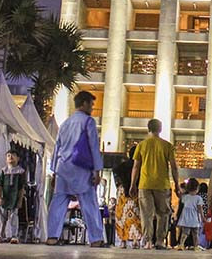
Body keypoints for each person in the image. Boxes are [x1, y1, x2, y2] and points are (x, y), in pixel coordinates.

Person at [47, 91, 105, 247]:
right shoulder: (88, 122)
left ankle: (52, 236)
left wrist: (53, 171)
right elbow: (93, 146)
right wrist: (97, 170)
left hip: (62, 167)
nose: (92, 108)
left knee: (58, 202)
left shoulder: (65, 123)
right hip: (81, 168)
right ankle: (96, 239)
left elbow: (57, 147)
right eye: (91, 104)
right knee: (89, 203)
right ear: (84, 103)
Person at [130, 119, 181, 250]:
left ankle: (147, 242)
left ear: (149, 129)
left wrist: (133, 184)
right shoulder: (167, 146)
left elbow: (136, 166)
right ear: (160, 129)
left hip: (145, 184)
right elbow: (174, 167)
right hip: (162, 184)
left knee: (146, 214)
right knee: (163, 213)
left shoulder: (142, 145)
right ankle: (160, 241)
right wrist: (177, 185)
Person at [0, 150, 26, 244]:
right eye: (8, 155)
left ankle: (14, 236)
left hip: (14, 197)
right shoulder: (4, 171)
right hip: (4, 197)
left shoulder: (21, 172)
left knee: (14, 217)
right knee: (1, 217)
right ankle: (0, 235)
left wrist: (20, 200)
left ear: (18, 158)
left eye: (13, 155)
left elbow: (21, 187)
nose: (10, 157)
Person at [113, 146, 141, 248]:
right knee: (136, 217)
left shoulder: (121, 166)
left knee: (122, 218)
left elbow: (116, 175)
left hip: (123, 194)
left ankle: (123, 241)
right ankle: (135, 241)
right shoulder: (140, 166)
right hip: (135, 193)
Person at [176, 179, 204, 251]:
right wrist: (202, 217)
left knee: (185, 233)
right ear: (197, 188)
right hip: (195, 218)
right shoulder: (198, 198)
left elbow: (180, 198)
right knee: (195, 234)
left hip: (186, 218)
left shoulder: (185, 197)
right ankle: (196, 246)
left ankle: (181, 244)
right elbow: (200, 209)